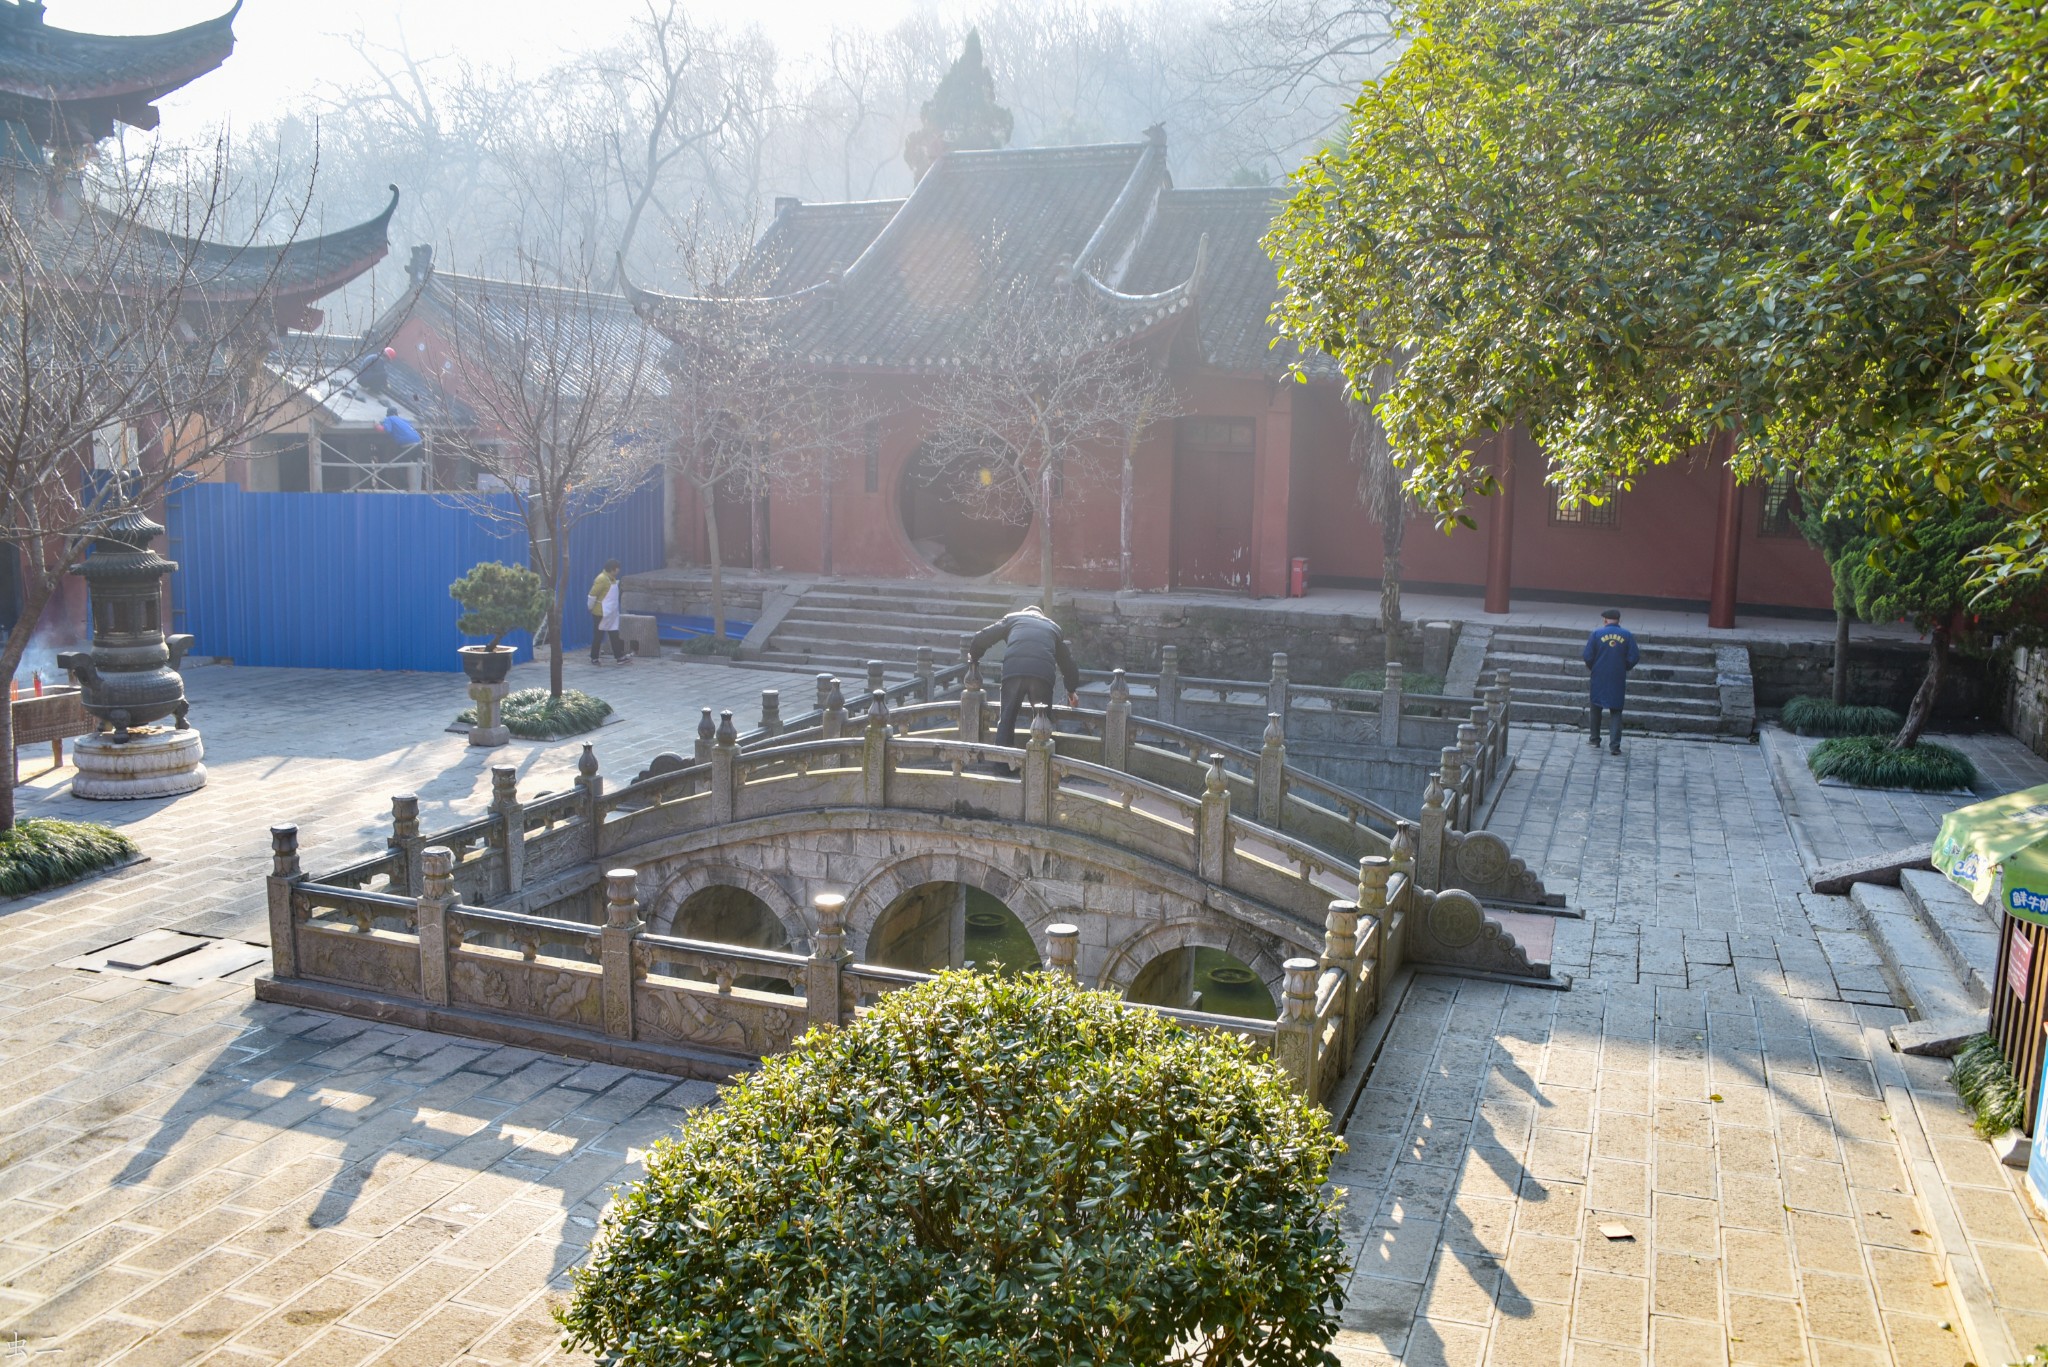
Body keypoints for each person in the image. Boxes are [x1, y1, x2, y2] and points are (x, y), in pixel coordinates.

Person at [967, 604, 1081, 747]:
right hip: (1042, 674)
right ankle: (1039, 763)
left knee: (1006, 719)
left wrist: (974, 657)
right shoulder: (1053, 628)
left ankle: (1001, 766)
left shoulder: (1013, 619)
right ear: (1042, 616)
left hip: (1014, 670)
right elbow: (1067, 663)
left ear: (1024, 612)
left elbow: (983, 637)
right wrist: (1071, 690)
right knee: (1042, 720)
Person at [1581, 608, 1639, 754]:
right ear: (1619, 620)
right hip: (1617, 676)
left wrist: (1593, 667)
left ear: (1605, 620)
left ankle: (1594, 739)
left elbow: (1587, 655)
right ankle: (1614, 746)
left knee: (1595, 707)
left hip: (1599, 675)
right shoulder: (1627, 635)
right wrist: (1624, 667)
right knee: (1616, 711)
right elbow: (1634, 656)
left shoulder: (1596, 634)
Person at [587, 559, 628, 665]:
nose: (618, 571)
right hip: (601, 613)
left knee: (614, 634)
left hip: (611, 613)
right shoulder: (601, 579)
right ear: (612, 569)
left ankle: (619, 657)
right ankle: (594, 657)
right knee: (598, 636)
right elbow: (592, 594)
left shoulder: (613, 579)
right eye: (617, 569)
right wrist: (590, 607)